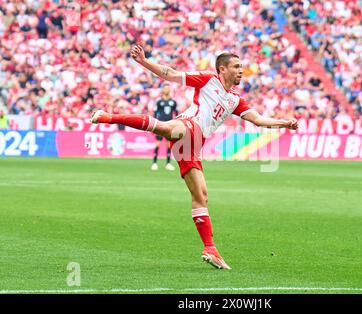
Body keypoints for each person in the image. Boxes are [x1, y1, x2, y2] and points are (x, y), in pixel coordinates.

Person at [91, 44, 298, 270]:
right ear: (222, 69)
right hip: (189, 126)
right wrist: (144, 61)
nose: (241, 71)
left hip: (193, 145)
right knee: (169, 128)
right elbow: (170, 74)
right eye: (236, 66)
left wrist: (284, 123)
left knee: (201, 196)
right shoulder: (209, 79)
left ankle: (210, 248)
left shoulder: (235, 100)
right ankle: (108, 117)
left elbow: (258, 120)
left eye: (242, 67)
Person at [151, 84, 178, 171]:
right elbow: (155, 114)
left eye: (168, 88)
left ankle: (168, 163)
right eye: (165, 88)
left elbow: (176, 114)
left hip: (169, 126)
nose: (167, 90)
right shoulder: (159, 102)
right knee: (157, 144)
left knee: (169, 145)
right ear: (163, 91)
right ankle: (154, 163)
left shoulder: (173, 102)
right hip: (160, 125)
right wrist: (154, 125)